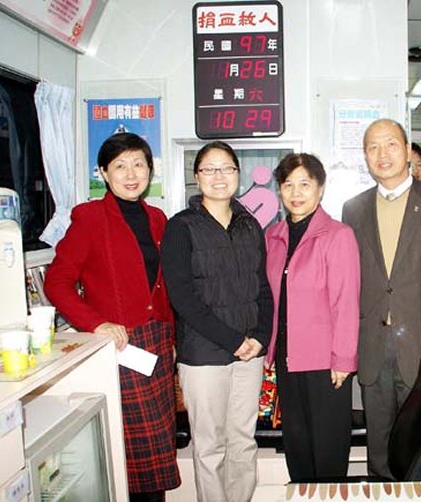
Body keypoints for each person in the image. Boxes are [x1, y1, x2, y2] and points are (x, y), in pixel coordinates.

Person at [45, 132, 180, 501]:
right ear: (104, 173)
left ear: (150, 170)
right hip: (121, 346)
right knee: (138, 451)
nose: (131, 174)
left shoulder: (157, 218)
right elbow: (57, 282)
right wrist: (95, 323)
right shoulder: (90, 218)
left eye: (139, 164)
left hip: (157, 341)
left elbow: (163, 284)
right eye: (120, 166)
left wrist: (172, 338)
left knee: (159, 444)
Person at [342, 118, 421, 478]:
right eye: (373, 147)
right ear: (365, 156)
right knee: (379, 448)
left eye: (391, 144)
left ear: (408, 151)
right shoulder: (353, 209)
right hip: (373, 346)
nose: (383, 154)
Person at [161, 141, 272, 502]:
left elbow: (263, 286)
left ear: (238, 175)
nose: (218, 176)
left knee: (243, 440)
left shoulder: (250, 224)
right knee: (210, 446)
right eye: (209, 169)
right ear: (196, 177)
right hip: (203, 354)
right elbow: (182, 297)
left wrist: (260, 336)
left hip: (249, 353)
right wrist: (232, 340)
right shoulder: (181, 227)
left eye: (226, 168)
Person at [264, 153, 360, 481]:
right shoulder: (272, 237)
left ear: (320, 188)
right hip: (286, 359)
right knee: (297, 446)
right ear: (279, 190)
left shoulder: (338, 235)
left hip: (325, 363)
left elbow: (346, 301)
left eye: (305, 184)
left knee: (328, 448)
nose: (296, 193)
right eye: (288, 184)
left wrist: (343, 359)